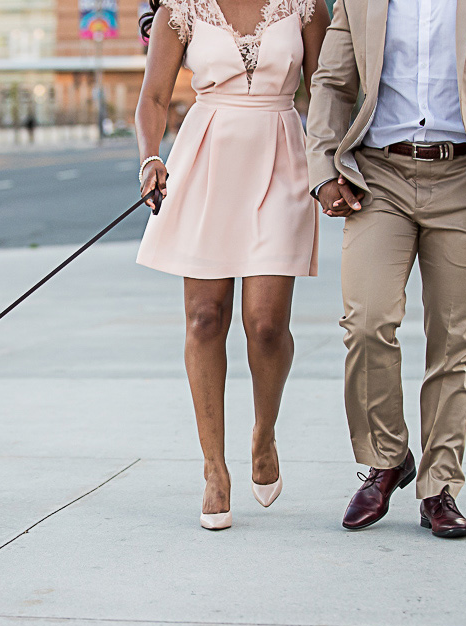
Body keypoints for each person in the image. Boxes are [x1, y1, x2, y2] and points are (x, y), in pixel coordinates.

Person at [306, 0, 466, 538]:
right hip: (379, 176)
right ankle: (387, 459)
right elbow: (332, 84)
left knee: (453, 337)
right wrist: (322, 168)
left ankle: (439, 487)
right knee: (366, 321)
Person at [136, 0, 330, 530]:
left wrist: (333, 162)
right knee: (205, 317)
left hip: (284, 158)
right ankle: (214, 470)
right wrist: (151, 156)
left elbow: (327, 91)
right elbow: (152, 97)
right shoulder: (183, 8)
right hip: (206, 158)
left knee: (266, 324)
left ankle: (263, 436)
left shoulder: (305, 6)